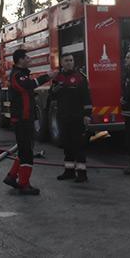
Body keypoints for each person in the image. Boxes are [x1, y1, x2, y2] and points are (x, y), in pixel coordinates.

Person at [2, 49, 54, 195]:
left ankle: (12, 176)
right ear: (20, 60)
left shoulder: (22, 74)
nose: (29, 59)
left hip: (26, 119)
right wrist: (47, 76)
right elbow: (28, 86)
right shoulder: (17, 76)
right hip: (22, 120)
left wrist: (35, 119)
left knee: (24, 149)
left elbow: (29, 98)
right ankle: (24, 184)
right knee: (27, 153)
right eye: (27, 57)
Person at [51, 53, 93, 183]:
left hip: (77, 117)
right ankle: (69, 171)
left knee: (79, 145)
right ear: (61, 63)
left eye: (71, 60)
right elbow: (51, 97)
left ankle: (82, 173)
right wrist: (55, 90)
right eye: (66, 60)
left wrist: (87, 115)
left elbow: (86, 98)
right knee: (67, 145)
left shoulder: (80, 78)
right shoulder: (58, 78)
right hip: (63, 117)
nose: (69, 62)